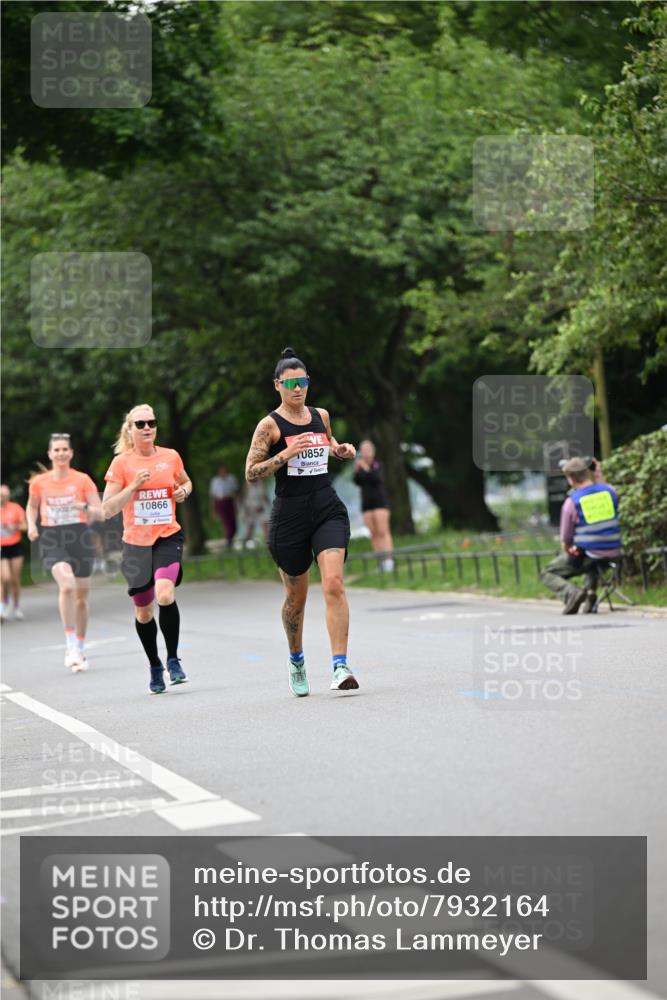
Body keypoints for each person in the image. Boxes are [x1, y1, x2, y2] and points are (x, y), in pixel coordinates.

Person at [245, 347, 359, 697]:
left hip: (326, 507)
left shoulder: (320, 415)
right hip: (290, 516)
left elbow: (328, 443)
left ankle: (340, 666)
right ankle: (296, 659)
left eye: (303, 381)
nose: (298, 389)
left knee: (334, 583)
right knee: (296, 598)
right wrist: (284, 454)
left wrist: (340, 450)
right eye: (291, 383)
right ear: (277, 385)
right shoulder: (269, 425)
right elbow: (251, 473)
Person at [102, 404, 193, 694]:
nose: (146, 428)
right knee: (143, 611)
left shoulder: (170, 456)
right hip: (136, 545)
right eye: (140, 424)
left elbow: (186, 482)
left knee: (165, 594)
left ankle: (173, 659)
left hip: (167, 536)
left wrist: (183, 492)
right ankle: (155, 665)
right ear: (129, 429)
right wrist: (133, 487)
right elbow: (107, 509)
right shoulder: (121, 464)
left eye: (151, 422)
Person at [26, 434, 101, 671]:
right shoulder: (39, 482)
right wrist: (31, 524)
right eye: (56, 450)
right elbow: (32, 505)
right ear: (49, 454)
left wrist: (85, 508)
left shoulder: (83, 480)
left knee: (81, 598)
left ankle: (79, 646)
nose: (60, 453)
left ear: (71, 453)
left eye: (64, 449)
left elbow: (99, 511)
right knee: (66, 585)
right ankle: (70, 645)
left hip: (79, 537)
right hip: (52, 537)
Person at [540, 456, 622, 614]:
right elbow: (607, 489)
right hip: (614, 553)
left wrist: (568, 549)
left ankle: (571, 593)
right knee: (590, 555)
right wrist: (598, 475)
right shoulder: (609, 492)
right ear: (587, 473)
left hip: (590, 555)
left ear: (570, 478)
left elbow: (565, 539)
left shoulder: (572, 502)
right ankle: (590, 595)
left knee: (548, 571)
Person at [353, 440, 394, 572]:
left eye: (367, 450)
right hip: (367, 503)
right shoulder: (360, 466)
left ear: (373, 452)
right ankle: (381, 562)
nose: (365, 453)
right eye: (363, 451)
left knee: (383, 532)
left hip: (380, 502)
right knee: (374, 534)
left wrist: (365, 467)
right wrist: (357, 470)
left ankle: (389, 561)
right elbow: (357, 481)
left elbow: (376, 478)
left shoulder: (377, 465)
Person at [1, 485, 27, 621]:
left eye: (5, 495)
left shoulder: (15, 508)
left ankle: (16, 606)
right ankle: (3, 604)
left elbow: (25, 526)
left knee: (15, 579)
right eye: (1, 495)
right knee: (5, 578)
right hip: (1, 548)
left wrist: (15, 526)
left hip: (15, 546)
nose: (3, 498)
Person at [209, 463, 239, 547]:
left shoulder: (231, 479)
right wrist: (213, 510)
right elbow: (213, 497)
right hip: (221, 503)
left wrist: (237, 505)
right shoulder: (215, 481)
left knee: (233, 523)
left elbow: (235, 493)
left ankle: (230, 540)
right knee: (226, 523)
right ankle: (229, 542)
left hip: (230, 501)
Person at [240, 479, 270, 545]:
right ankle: (244, 544)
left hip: (260, 508)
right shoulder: (247, 485)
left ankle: (268, 544)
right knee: (250, 528)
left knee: (265, 526)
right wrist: (247, 510)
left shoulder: (261, 483)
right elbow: (245, 499)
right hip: (250, 510)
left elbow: (264, 495)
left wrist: (267, 505)